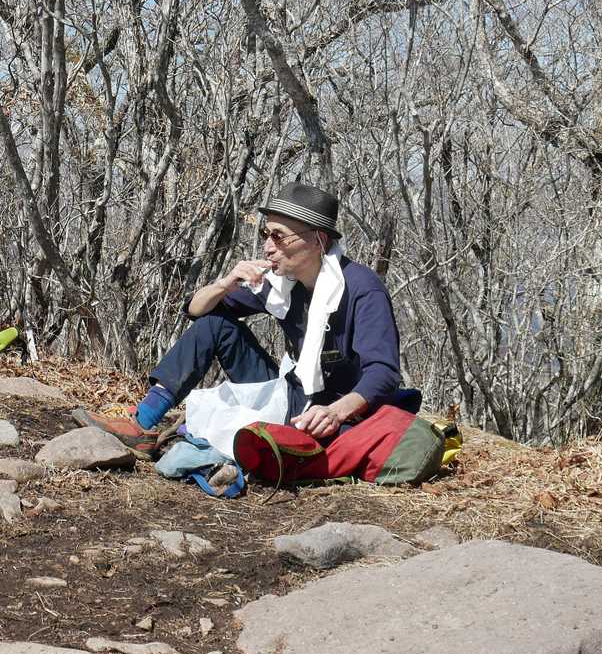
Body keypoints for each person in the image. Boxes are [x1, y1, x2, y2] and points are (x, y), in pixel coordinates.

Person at [75, 182, 403, 456]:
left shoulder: (360, 288)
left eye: (279, 236)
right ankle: (143, 421)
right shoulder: (281, 284)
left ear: (318, 240)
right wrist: (225, 283)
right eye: (266, 234)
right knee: (215, 323)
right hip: (291, 394)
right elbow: (197, 310)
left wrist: (334, 412)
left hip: (332, 412)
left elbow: (384, 373)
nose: (268, 247)